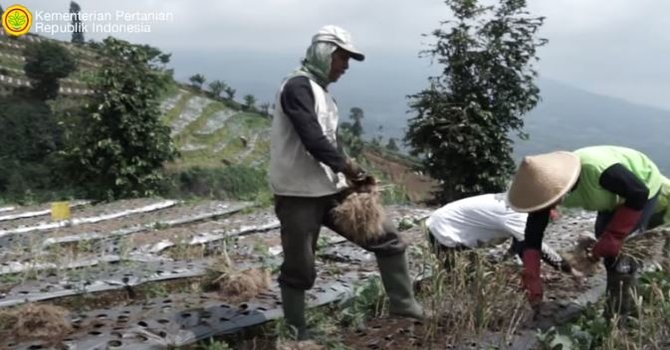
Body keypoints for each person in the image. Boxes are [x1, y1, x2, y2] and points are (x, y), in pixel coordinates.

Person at [269, 25, 424, 340]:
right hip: (298, 193)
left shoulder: (323, 94)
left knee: (387, 238)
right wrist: (350, 168)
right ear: (325, 54)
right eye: (342, 59)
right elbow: (312, 139)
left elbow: (331, 143)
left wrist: (351, 178)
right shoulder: (297, 87)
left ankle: (404, 304)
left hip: (331, 190)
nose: (345, 67)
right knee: (300, 267)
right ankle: (297, 331)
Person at [507, 145, 662, 319]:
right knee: (602, 240)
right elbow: (532, 239)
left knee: (620, 259)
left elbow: (639, 192)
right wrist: (532, 277)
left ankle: (622, 316)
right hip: (610, 197)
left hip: (642, 186)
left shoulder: (598, 171)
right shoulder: (545, 193)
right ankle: (615, 299)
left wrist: (615, 235)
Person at [426, 193, 580, 279]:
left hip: (444, 221)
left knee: (472, 274)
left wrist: (505, 259)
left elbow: (519, 243)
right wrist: (570, 271)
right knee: (460, 279)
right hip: (444, 230)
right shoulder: (518, 215)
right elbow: (538, 247)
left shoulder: (519, 200)